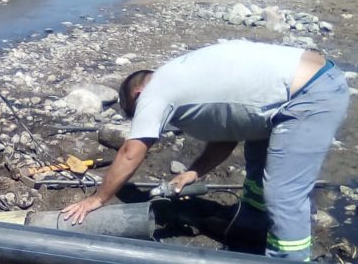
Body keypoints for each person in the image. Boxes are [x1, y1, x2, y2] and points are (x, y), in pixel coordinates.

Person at [62, 40, 349, 261]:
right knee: (258, 169)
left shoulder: (156, 89)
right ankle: (253, 228)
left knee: (284, 194)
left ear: (138, 95)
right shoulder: (182, 77)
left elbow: (131, 152)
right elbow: (227, 136)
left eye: (138, 114)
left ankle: (289, 260)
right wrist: (193, 172)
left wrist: (97, 199)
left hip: (309, 93)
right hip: (292, 92)